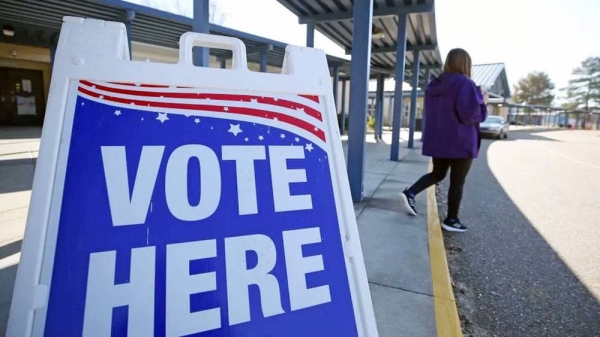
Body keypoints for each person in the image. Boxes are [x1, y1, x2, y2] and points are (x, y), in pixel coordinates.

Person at [398, 48, 488, 232]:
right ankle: (451, 219)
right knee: (457, 181)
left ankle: (410, 192)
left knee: (438, 173)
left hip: (440, 141)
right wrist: (483, 103)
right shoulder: (465, 83)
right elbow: (470, 115)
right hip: (461, 141)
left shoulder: (435, 85)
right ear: (465, 64)